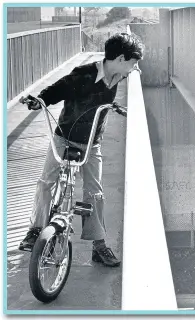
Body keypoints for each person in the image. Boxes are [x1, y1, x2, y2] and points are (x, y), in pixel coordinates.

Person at [19, 33, 145, 267]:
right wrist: (40, 100)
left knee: (94, 192)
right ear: (119, 58)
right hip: (64, 138)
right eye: (133, 63)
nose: (134, 69)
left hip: (91, 142)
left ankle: (99, 246)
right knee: (46, 182)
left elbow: (111, 93)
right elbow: (57, 90)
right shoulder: (83, 74)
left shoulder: (119, 76)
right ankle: (35, 231)